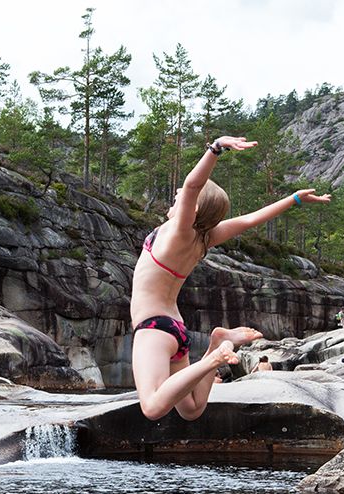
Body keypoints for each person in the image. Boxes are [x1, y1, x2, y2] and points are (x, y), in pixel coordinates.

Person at [131, 135, 331, 421]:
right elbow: (251, 219)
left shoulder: (179, 232)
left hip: (153, 328)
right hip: (174, 327)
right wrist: (294, 198)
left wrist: (215, 148)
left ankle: (214, 357)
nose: (177, 194)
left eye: (180, 197)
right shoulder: (204, 238)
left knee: (151, 407)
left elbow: (192, 185)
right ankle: (216, 345)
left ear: (194, 209)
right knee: (191, 410)